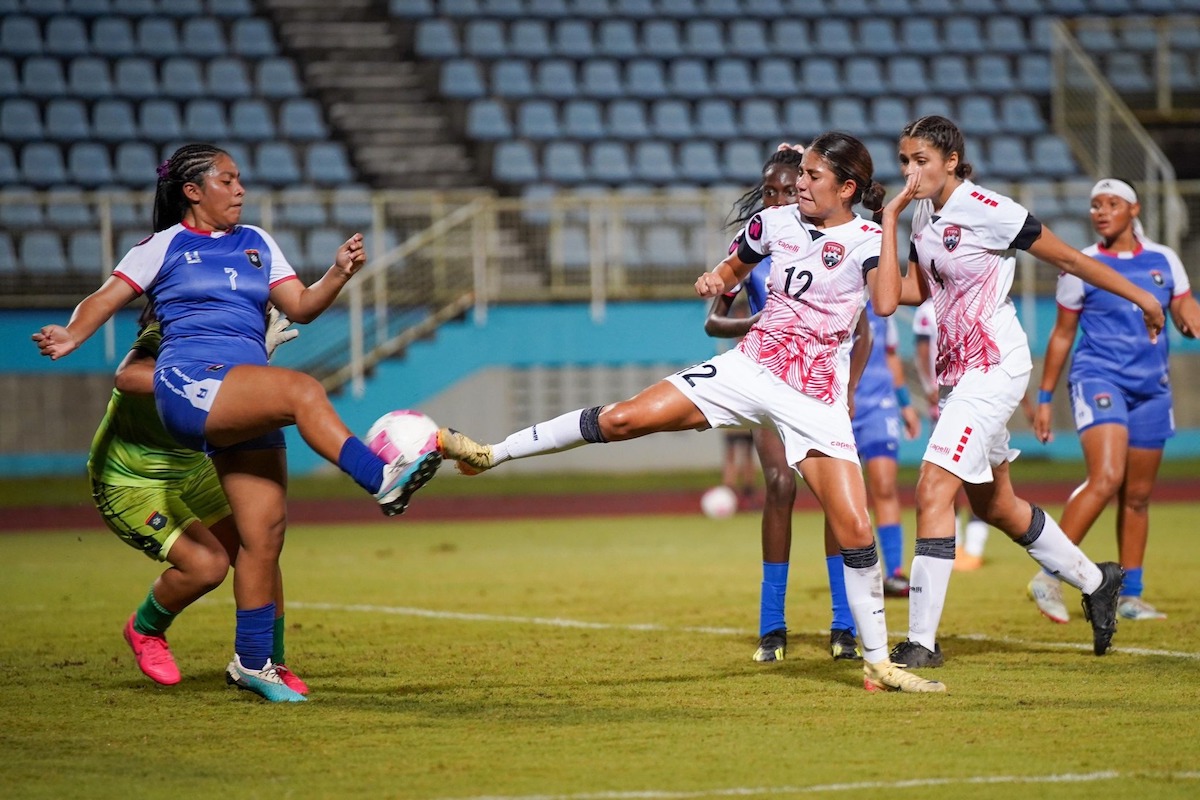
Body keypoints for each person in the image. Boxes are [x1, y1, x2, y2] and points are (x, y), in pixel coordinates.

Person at [443, 132, 945, 692]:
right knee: (624, 418)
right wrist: (717, 278)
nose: (797, 185)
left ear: (847, 188)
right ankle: (492, 453)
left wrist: (896, 214)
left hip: (814, 399)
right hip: (750, 370)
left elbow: (882, 304)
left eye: (811, 177)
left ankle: (878, 661)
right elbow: (733, 270)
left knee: (854, 528)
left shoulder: (868, 240)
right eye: (798, 174)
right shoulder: (770, 224)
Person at [34, 143, 441, 703]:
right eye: (228, 180)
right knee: (302, 390)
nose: (241, 189)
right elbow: (105, 298)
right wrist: (72, 335)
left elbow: (297, 306)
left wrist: (338, 274)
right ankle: (381, 477)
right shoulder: (163, 246)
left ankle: (254, 664)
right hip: (189, 379)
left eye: (241, 180)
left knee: (263, 539)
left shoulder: (258, 243)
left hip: (243, 387)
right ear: (193, 191)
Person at [881, 116, 1165, 668]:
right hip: (958, 373)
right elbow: (911, 291)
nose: (911, 172)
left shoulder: (991, 210)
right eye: (904, 162)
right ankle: (1096, 579)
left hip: (995, 365)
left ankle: (920, 640)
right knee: (996, 507)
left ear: (952, 162)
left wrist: (1142, 298)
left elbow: (1071, 259)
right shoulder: (920, 213)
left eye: (921, 161)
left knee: (933, 488)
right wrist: (880, 230)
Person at [93, 304, 306, 694]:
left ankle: (269, 662)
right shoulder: (167, 336)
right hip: (132, 481)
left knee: (259, 547)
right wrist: (204, 378)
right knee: (207, 567)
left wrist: (247, 368)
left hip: (194, 469)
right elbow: (127, 377)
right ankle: (145, 629)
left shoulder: (232, 348)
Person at [703, 146, 861, 664]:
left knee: (835, 497)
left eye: (786, 189)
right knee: (778, 484)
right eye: (767, 191)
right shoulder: (756, 243)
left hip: (817, 386)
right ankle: (772, 625)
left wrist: (851, 391)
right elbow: (713, 320)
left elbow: (859, 334)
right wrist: (757, 325)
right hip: (764, 378)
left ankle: (842, 623)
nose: (775, 198)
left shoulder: (834, 245)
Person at [1029, 178, 1200, 623]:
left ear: (1133, 209)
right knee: (1106, 476)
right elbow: (1063, 334)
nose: (1100, 211)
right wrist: (1045, 397)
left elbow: (1185, 309)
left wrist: (1191, 321)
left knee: (1139, 496)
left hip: (1152, 389)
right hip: (1098, 378)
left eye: (1111, 203)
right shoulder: (1081, 264)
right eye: (1094, 205)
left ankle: (1129, 596)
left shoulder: (1165, 260)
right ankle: (1049, 574)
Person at [912, 298, 992, 572]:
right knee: (948, 472)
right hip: (947, 401)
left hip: (977, 398)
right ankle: (956, 545)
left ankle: (975, 546)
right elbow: (922, 351)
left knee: (978, 471)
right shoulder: (927, 310)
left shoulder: (974, 303)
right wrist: (928, 385)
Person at [852, 299, 921, 597]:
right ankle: (857, 572)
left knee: (884, 486)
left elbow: (891, 356)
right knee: (848, 496)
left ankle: (894, 572)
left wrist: (906, 405)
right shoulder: (832, 299)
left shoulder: (881, 309)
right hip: (841, 406)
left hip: (880, 407)